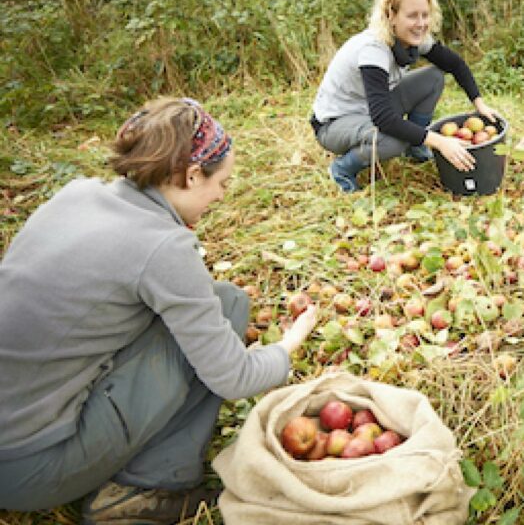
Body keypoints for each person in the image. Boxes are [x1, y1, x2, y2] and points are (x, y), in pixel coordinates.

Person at [0, 98, 318, 523]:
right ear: (190, 176)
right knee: (227, 308)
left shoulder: (77, 195)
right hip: (28, 468)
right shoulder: (162, 245)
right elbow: (233, 375)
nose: (222, 195)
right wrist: (288, 346)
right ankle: (143, 488)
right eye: (221, 183)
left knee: (218, 301)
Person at [311, 0, 498, 192]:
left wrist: (479, 103)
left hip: (368, 110)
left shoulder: (412, 39)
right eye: (412, 16)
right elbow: (384, 118)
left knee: (434, 77)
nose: (420, 24)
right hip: (334, 124)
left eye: (425, 15)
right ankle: (342, 169)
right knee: (394, 141)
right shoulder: (373, 50)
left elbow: (455, 64)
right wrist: (439, 141)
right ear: (391, 16)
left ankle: (416, 148)